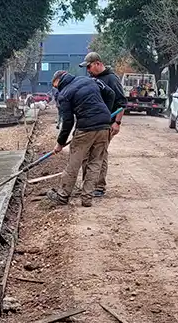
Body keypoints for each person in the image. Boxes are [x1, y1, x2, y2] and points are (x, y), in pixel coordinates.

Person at [46, 70, 114, 207]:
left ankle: (62, 196)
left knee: (74, 162)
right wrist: (105, 113)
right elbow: (111, 94)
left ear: (58, 80)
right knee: (95, 162)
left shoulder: (64, 94)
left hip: (85, 128)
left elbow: (68, 122)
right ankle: (87, 198)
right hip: (104, 125)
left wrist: (60, 143)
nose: (56, 89)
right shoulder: (90, 80)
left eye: (55, 86)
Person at [80, 52, 125, 197]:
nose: (88, 70)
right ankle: (87, 184)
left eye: (89, 67)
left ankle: (99, 186)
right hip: (91, 124)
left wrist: (117, 122)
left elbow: (121, 103)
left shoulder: (112, 79)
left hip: (107, 124)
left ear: (98, 63)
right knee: (86, 154)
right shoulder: (92, 79)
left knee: (99, 155)